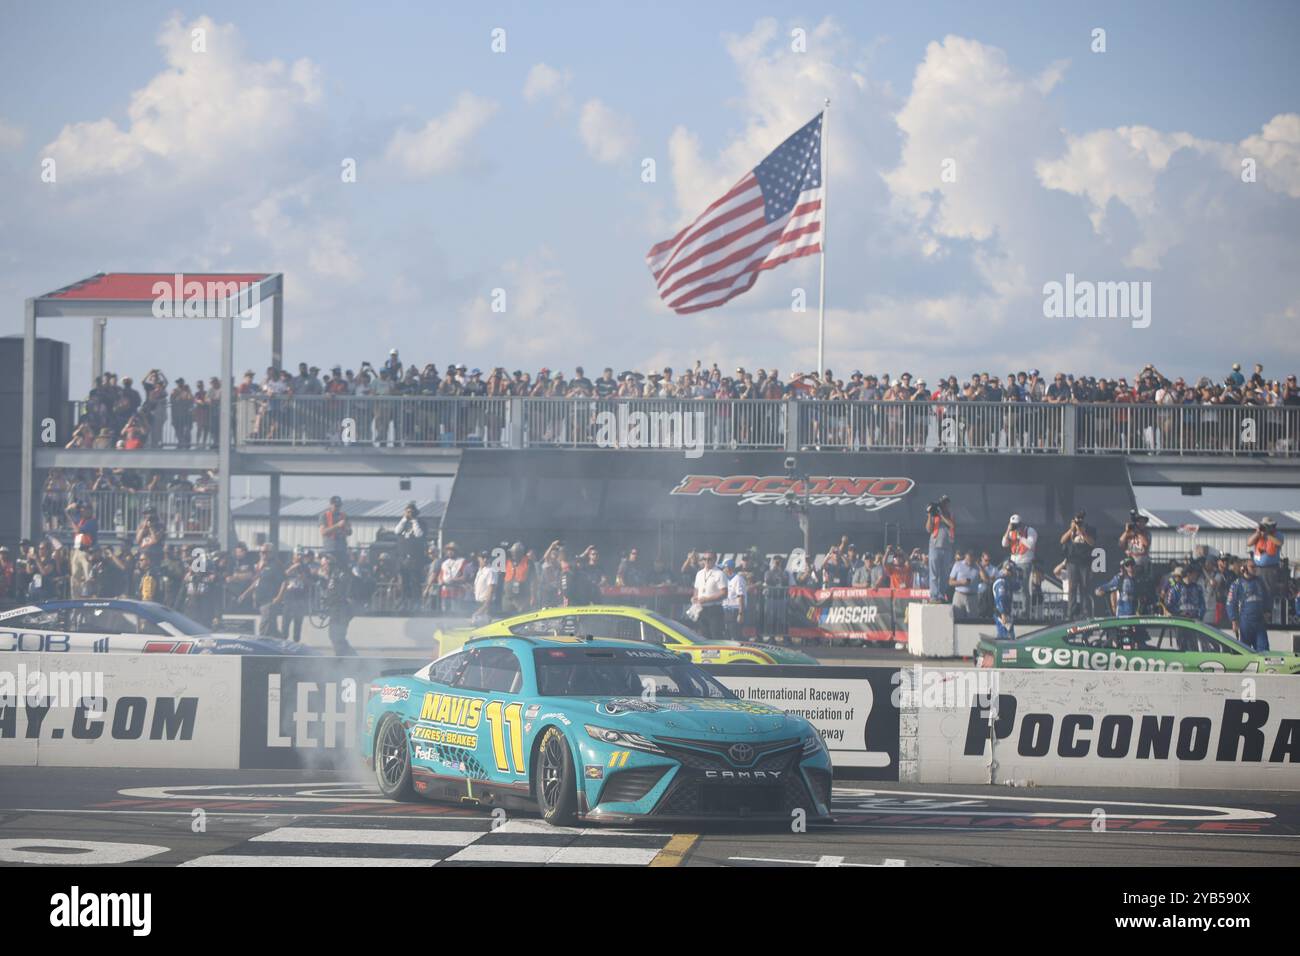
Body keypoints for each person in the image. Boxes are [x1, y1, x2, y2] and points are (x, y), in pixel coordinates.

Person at [1059, 510, 1095, 620]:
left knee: (1085, 587)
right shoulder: (1071, 530)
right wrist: (1072, 529)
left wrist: (1083, 532)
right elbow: (1062, 541)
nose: (1079, 522)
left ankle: (1085, 612)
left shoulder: (1090, 529)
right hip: (1072, 562)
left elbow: (1092, 543)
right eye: (1077, 519)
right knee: (1072, 588)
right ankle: (1071, 612)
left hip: (1085, 562)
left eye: (1081, 519)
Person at [318, 553, 357, 655]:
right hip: (335, 610)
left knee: (337, 636)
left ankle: (346, 658)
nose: (323, 568)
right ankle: (349, 657)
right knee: (334, 636)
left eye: (324, 565)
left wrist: (347, 598)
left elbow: (349, 583)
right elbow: (332, 594)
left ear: (329, 564)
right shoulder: (331, 576)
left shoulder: (339, 574)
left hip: (341, 610)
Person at [1227, 562, 1270, 651]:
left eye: (1255, 567)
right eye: (1252, 567)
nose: (1255, 569)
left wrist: (1267, 611)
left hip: (1259, 622)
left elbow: (1267, 597)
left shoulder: (1260, 581)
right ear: (1244, 568)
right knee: (1244, 652)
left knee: (1264, 651)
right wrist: (1234, 620)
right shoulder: (1237, 584)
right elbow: (1230, 602)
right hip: (1245, 623)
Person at [393, 502, 427, 611]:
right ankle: (404, 603)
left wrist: (414, 520)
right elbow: (396, 531)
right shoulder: (403, 523)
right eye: (407, 511)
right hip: (403, 558)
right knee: (404, 583)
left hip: (415, 558)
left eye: (411, 511)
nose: (409, 513)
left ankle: (416, 604)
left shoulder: (420, 523)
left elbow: (419, 534)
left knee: (415, 582)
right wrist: (404, 519)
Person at [1002, 514, 1037, 610]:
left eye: (1016, 525)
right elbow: (1004, 544)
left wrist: (1020, 537)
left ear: (1021, 524)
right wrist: (1008, 530)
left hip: (1025, 561)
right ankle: (1008, 609)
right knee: (1008, 585)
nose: (1015, 527)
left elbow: (1031, 544)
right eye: (1013, 524)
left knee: (1023, 587)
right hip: (1013, 561)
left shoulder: (1030, 531)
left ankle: (1025, 612)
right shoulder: (1011, 532)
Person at [691, 552, 728, 640]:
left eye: (709, 559)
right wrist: (695, 598)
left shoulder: (719, 573)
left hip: (714, 610)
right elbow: (696, 590)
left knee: (716, 636)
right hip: (701, 609)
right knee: (704, 637)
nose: (707, 561)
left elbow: (724, 593)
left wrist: (707, 599)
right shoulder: (699, 573)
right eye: (705, 559)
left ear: (715, 560)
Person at [925, 495, 955, 603]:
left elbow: (951, 525)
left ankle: (941, 596)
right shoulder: (934, 515)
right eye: (943, 503)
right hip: (934, 547)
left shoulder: (950, 515)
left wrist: (941, 515)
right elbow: (928, 529)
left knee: (944, 574)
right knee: (934, 573)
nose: (945, 505)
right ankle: (933, 596)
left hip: (947, 548)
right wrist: (930, 515)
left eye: (946, 503)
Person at [1247, 517, 1284, 598]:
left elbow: (1279, 543)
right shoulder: (1259, 535)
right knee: (1257, 590)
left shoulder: (1278, 535)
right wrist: (1257, 533)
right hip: (1257, 568)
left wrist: (1268, 535)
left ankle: (1268, 609)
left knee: (1268, 592)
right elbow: (1249, 543)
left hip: (1270, 569)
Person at [319, 495, 352, 568]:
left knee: (345, 570)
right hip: (330, 549)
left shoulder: (344, 516)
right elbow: (323, 532)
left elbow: (350, 532)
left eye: (339, 506)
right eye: (336, 505)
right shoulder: (324, 516)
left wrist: (346, 527)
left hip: (342, 549)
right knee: (330, 570)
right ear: (330, 505)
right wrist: (337, 525)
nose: (338, 508)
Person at [948, 550, 980, 620]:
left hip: (972, 597)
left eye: (971, 560)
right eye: (968, 559)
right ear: (965, 556)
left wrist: (980, 566)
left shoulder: (977, 567)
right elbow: (950, 582)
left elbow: (986, 579)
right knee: (958, 619)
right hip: (959, 595)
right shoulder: (958, 565)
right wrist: (961, 582)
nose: (969, 562)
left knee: (973, 620)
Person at [721, 559, 747, 641]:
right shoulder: (725, 579)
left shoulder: (738, 579)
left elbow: (741, 596)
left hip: (735, 611)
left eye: (724, 568)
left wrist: (741, 613)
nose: (722, 570)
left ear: (728, 568)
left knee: (736, 636)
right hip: (726, 610)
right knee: (726, 635)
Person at [992, 561, 1017, 639]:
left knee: (1009, 635)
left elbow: (1018, 586)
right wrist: (1003, 614)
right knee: (1005, 637)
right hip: (1002, 614)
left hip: (1006, 612)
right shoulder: (1001, 582)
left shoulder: (1007, 581)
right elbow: (1000, 599)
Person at [472, 551, 497, 625]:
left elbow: (491, 590)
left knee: (485, 627)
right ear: (478, 558)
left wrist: (484, 607)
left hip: (486, 605)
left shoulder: (491, 571)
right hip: (478, 603)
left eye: (487, 558)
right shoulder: (480, 571)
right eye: (483, 557)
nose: (485, 559)